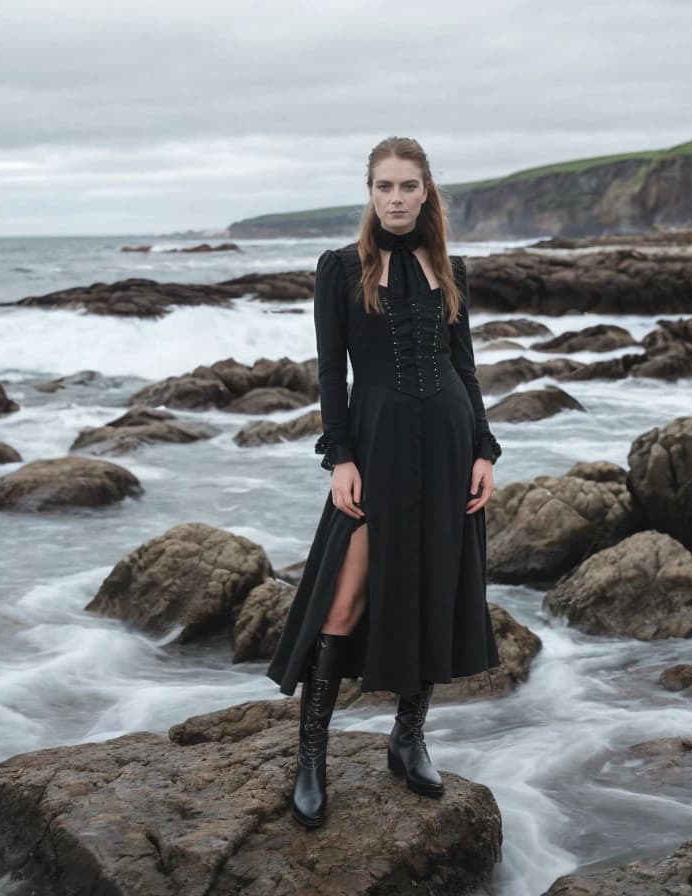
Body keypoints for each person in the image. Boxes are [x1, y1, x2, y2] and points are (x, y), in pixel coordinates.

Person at [264, 136, 503, 828]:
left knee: (434, 588)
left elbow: (465, 367)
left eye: (407, 186)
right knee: (342, 603)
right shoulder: (340, 269)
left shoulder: (447, 267)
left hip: (451, 447)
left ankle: (408, 737)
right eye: (383, 187)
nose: (396, 198)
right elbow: (329, 372)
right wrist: (340, 455)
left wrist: (484, 448)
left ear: (427, 192)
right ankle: (312, 757)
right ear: (369, 194)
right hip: (378, 449)